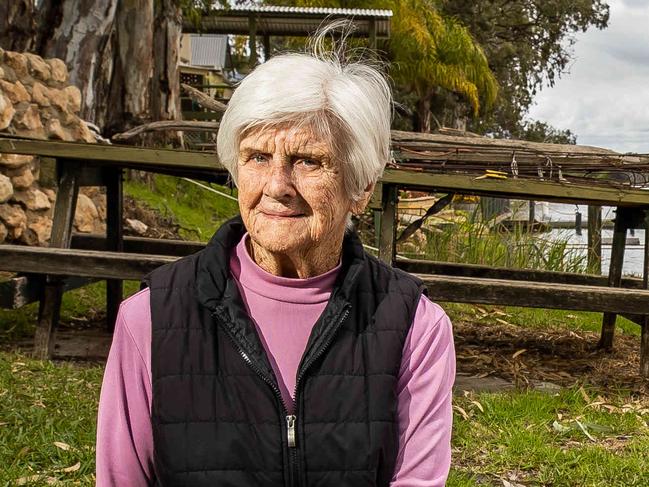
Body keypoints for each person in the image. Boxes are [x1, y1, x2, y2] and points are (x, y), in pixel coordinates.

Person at [96, 25, 456, 487]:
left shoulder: (415, 328)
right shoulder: (149, 318)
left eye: (307, 160)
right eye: (257, 157)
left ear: (362, 185)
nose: (276, 186)